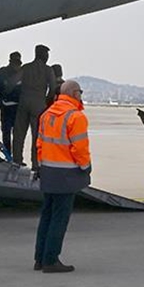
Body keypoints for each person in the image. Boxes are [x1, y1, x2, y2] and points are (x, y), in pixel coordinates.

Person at [33, 80, 90, 273]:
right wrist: (86, 167)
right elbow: (80, 148)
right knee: (60, 218)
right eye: (80, 92)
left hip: (48, 172)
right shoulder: (75, 117)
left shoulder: (46, 114)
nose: (81, 95)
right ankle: (51, 260)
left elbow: (39, 144)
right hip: (66, 175)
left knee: (47, 216)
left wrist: (43, 165)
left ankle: (40, 258)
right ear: (74, 93)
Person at [12, 45, 57, 168]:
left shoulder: (26, 67)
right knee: (37, 136)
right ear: (43, 55)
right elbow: (53, 89)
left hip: (24, 101)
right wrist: (47, 101)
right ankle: (35, 164)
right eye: (47, 55)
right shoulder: (48, 70)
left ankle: (16, 160)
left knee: (19, 133)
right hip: (39, 104)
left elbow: (13, 82)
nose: (48, 57)